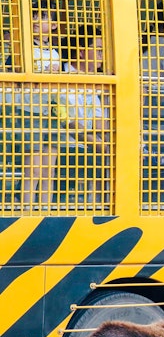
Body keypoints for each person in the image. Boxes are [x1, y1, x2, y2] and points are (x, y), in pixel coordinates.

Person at [19, 2, 68, 208]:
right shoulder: (25, 47)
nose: (37, 20)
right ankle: (27, 210)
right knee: (34, 167)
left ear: (55, 25)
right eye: (35, 14)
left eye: (44, 16)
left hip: (50, 111)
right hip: (30, 111)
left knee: (50, 167)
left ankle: (46, 211)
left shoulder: (55, 52)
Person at [60, 27, 109, 205]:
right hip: (66, 144)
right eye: (98, 50)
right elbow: (70, 123)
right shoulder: (61, 76)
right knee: (106, 152)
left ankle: (101, 205)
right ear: (81, 52)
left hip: (87, 143)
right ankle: (99, 206)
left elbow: (98, 121)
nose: (101, 56)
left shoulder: (91, 80)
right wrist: (101, 144)